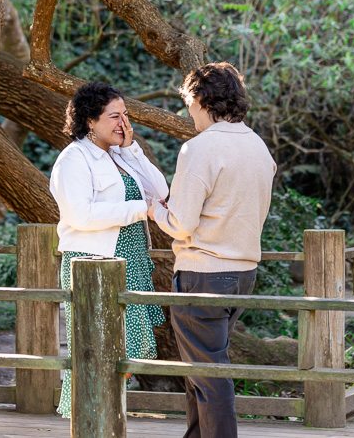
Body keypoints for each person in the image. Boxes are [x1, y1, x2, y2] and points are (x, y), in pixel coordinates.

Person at [150, 62, 276, 438]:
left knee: (209, 377)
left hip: (203, 273)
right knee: (201, 373)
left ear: (201, 100)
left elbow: (181, 223)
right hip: (243, 274)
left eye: (188, 104)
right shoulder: (257, 146)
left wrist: (154, 208)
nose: (188, 113)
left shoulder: (199, 148)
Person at [49, 81, 170, 418]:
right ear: (90, 120)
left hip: (131, 261)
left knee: (126, 350)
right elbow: (80, 215)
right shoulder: (73, 159)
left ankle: (107, 414)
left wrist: (132, 150)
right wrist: (139, 209)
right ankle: (90, 418)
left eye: (125, 115)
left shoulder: (120, 155)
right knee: (96, 349)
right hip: (94, 264)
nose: (123, 123)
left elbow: (160, 192)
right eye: (114, 116)